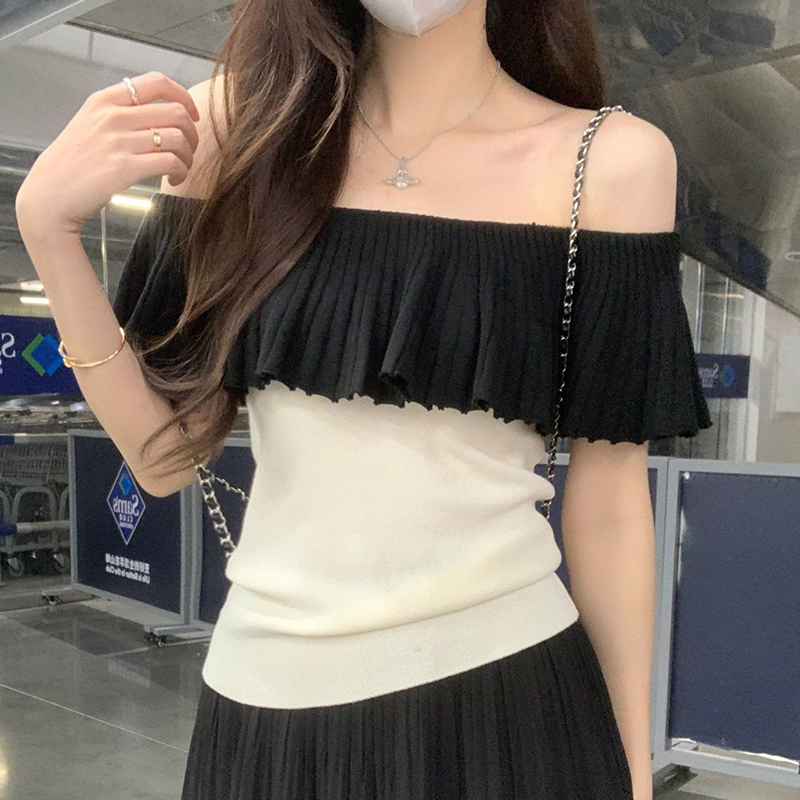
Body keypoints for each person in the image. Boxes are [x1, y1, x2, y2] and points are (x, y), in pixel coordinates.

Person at [15, 0, 712, 797]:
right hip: (262, 701)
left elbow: (611, 503)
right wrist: (48, 233)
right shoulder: (236, 135)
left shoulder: (609, 162)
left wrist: (631, 771)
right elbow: (164, 458)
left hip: (510, 698)